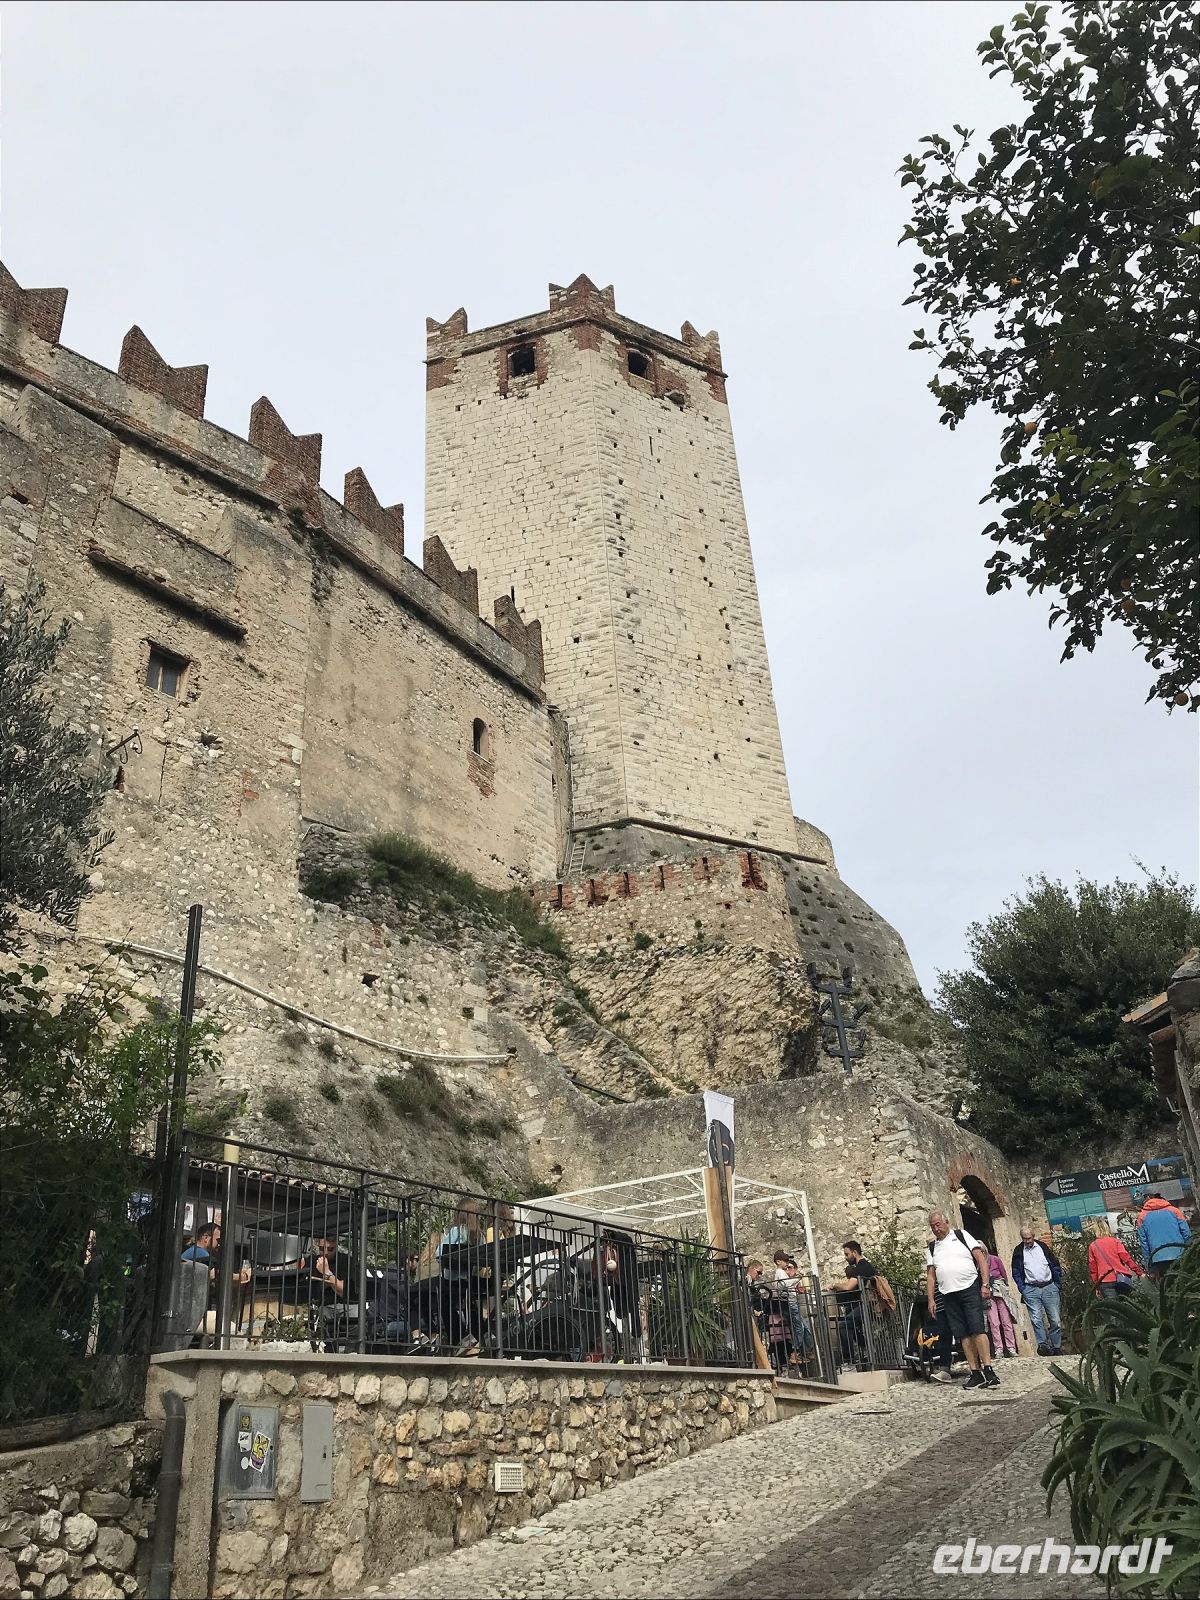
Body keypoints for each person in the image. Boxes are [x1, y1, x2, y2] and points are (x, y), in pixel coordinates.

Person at [926, 1212, 998, 1389]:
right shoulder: (932, 1247)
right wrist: (930, 1299)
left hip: (969, 1288)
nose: (936, 1229)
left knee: (977, 1329)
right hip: (948, 1293)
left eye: (938, 1224)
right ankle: (975, 1372)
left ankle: (988, 1369)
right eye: (933, 1226)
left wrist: (986, 1284)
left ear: (946, 1222)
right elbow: (931, 1275)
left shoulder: (961, 1235)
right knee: (962, 1334)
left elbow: (980, 1258)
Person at [1010, 1227, 1063, 1355]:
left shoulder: (1042, 1247)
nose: (1027, 1241)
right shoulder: (1018, 1251)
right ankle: (1043, 1345)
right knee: (1036, 1319)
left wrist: (1057, 1282)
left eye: (1029, 1238)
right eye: (1024, 1239)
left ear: (1033, 1236)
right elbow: (1016, 1271)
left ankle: (1056, 1347)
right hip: (1031, 1289)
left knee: (1055, 1319)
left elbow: (1054, 1264)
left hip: (1049, 1286)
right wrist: (1023, 1288)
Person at [829, 1240, 877, 1369]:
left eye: (847, 1254)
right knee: (852, 1326)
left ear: (855, 1253)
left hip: (867, 1306)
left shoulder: (862, 1267)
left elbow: (849, 1286)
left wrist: (834, 1286)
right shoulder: (863, 1266)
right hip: (866, 1305)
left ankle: (849, 1361)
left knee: (843, 1325)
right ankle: (864, 1350)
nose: (846, 1258)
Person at [1136, 1193, 1192, 1282]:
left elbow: (1144, 1243)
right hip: (1180, 1254)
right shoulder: (1174, 1210)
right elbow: (1186, 1233)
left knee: (1167, 1285)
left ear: (1147, 1199)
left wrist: (1148, 1264)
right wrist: (1189, 1252)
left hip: (1158, 1258)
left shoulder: (1142, 1216)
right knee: (1183, 1282)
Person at [1088, 1227, 1143, 1299]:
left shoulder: (1093, 1246)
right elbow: (1126, 1258)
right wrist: (1139, 1272)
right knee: (1128, 1303)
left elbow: (1093, 1268)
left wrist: (1096, 1284)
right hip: (1121, 1278)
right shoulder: (1115, 1241)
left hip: (1105, 1281)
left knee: (1114, 1307)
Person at [984, 1248, 1018, 1357]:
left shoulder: (995, 1259)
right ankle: (998, 1349)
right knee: (994, 1322)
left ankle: (1011, 1347)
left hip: (1000, 1291)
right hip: (988, 1295)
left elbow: (1004, 1275)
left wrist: (1004, 1289)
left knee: (1006, 1320)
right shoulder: (977, 1264)